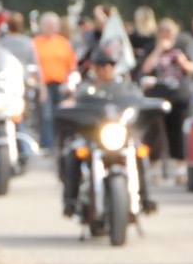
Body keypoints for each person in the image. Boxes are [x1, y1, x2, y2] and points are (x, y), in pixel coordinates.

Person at [59, 52, 157, 217]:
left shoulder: (126, 88)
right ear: (94, 68)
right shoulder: (86, 89)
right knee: (72, 153)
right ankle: (70, 200)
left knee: (140, 151)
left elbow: (138, 103)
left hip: (119, 135)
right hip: (93, 136)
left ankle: (146, 198)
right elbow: (74, 103)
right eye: (101, 65)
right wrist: (68, 105)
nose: (106, 69)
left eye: (110, 65)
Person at [138, 17, 193, 164]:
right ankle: (154, 162)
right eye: (163, 32)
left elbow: (191, 68)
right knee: (154, 130)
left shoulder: (181, 46)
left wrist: (182, 60)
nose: (166, 35)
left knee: (177, 129)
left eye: (169, 32)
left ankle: (179, 162)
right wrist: (158, 50)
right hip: (157, 94)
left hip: (177, 93)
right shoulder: (151, 47)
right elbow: (145, 68)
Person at [32, 11, 77, 151]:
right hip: (43, 85)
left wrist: (71, 83)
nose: (51, 27)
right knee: (46, 116)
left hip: (61, 84)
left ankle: (62, 143)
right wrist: (39, 85)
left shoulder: (63, 43)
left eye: (53, 25)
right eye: (48, 24)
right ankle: (47, 146)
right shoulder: (35, 43)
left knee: (62, 113)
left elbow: (72, 66)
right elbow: (32, 66)